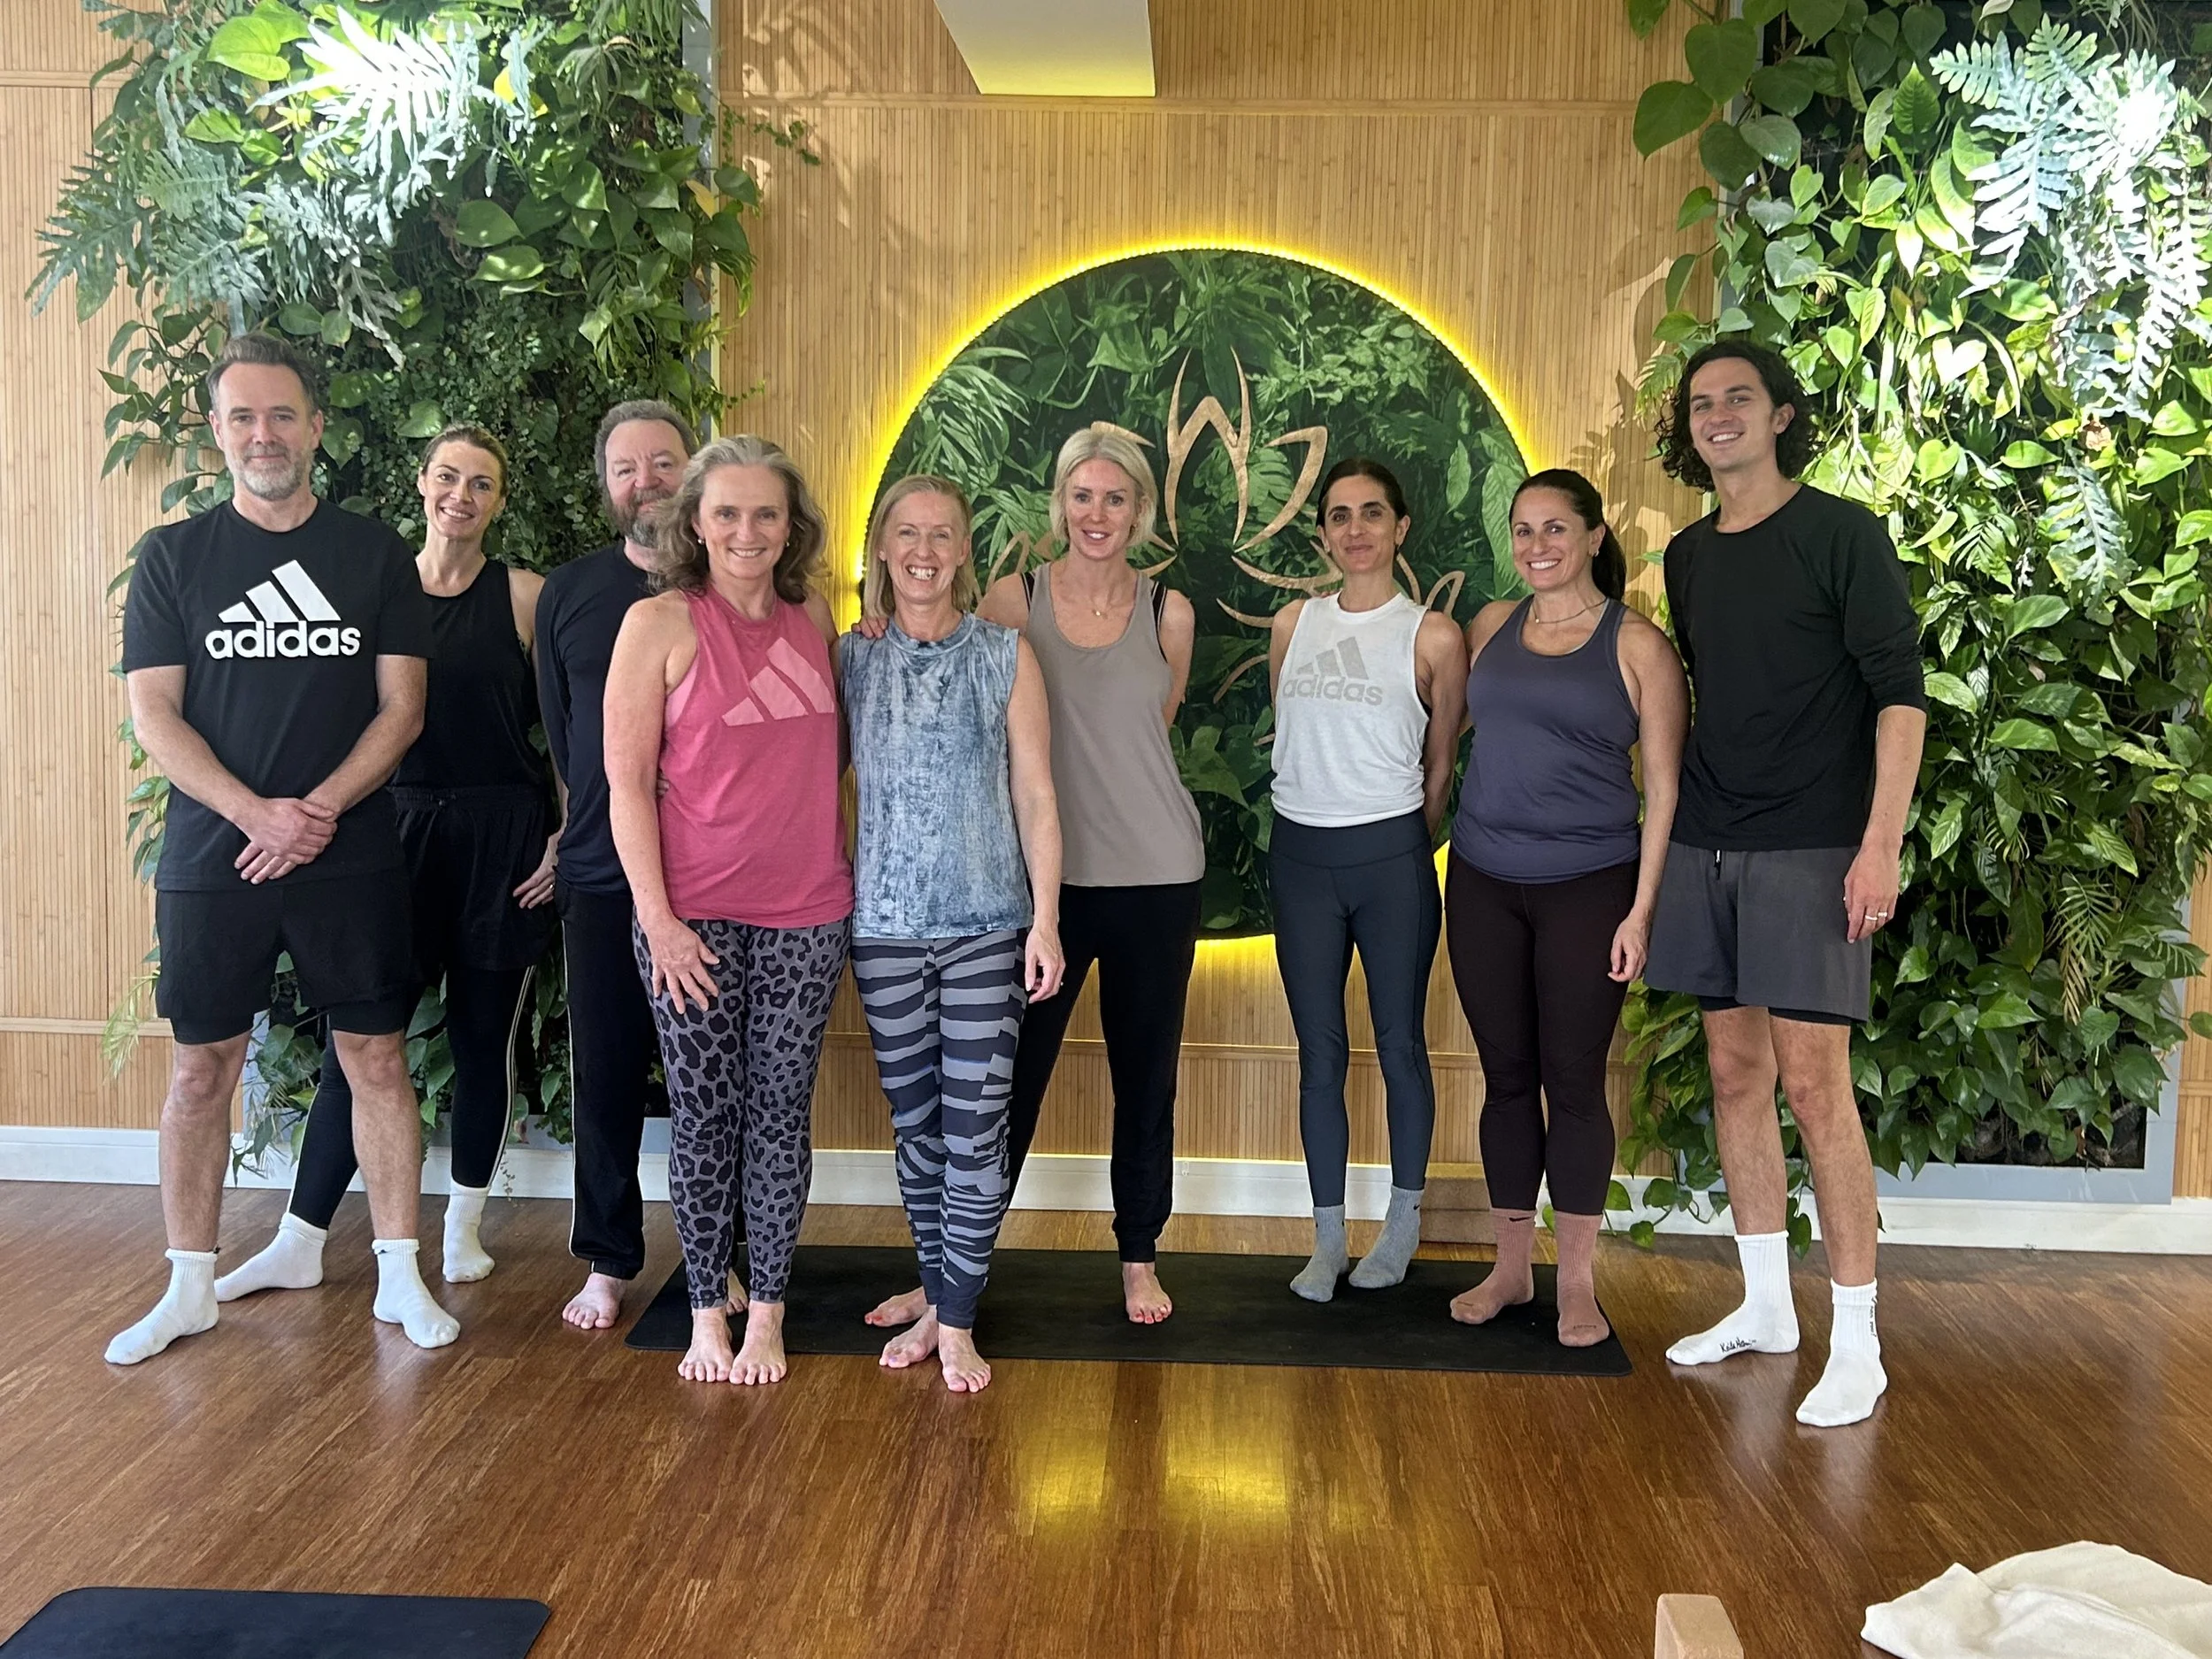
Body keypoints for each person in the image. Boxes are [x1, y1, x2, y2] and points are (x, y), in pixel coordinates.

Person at [110, 331, 454, 1363]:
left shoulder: (372, 554)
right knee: (200, 1072)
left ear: (315, 427)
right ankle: (189, 1288)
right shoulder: (173, 557)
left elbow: (402, 712)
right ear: (216, 433)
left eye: (283, 414)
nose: (265, 433)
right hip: (217, 855)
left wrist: (312, 813)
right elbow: (154, 718)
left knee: (378, 1058)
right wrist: (257, 814)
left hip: (347, 851)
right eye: (243, 416)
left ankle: (400, 1274)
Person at [862, 424, 1205, 1327]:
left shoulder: (1169, 612)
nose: (1097, 514)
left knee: (1147, 1078)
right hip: (1036, 892)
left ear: (1140, 510)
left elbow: (1150, 732)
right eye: (1082, 496)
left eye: (1116, 498)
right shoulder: (1013, 604)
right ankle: (950, 1277)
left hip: (1156, 878)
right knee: (999, 1089)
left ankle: (1138, 1257)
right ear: (1061, 503)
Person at [1645, 341, 1926, 1428]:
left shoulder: (1841, 534)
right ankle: (1767, 1308)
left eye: (1736, 401)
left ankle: (1857, 1341)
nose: (1716, 417)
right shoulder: (1688, 556)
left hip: (1815, 845)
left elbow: (1898, 696)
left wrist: (1878, 842)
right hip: (1711, 839)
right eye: (1701, 405)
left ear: (1779, 417)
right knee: (1732, 1073)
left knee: (1816, 1086)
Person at [214, 426, 557, 1302]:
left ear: (499, 500)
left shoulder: (524, 598)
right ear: (421, 482)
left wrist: (566, 835)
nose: (462, 496)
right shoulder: (368, 585)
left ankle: (463, 1230)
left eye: (482, 483)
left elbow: (570, 734)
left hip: (501, 835)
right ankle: (301, 1236)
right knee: (359, 1045)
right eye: (449, 477)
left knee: (486, 1040)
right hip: (388, 835)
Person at [605, 434, 852, 1386]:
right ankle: (708, 1307)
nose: (746, 531)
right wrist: (658, 921)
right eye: (727, 513)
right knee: (706, 1118)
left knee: (781, 1116)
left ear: (791, 527)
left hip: (807, 913)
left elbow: (825, 765)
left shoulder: (814, 616)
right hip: (692, 920)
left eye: (765, 514)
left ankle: (771, 1313)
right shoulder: (660, 624)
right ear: (695, 523)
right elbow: (625, 788)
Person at [1442, 469, 1687, 1346]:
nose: (1536, 546)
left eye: (1554, 529)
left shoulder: (1638, 647)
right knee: (1505, 1078)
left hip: (1591, 886)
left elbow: (1662, 792)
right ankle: (1511, 1271)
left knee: (1572, 1083)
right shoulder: (1489, 626)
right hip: (1479, 880)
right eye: (1522, 530)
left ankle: (1576, 1285)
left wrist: (1642, 911)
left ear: (1592, 537)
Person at [841, 475, 1064, 1393]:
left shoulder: (1006, 653)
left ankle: (957, 1319)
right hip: (883, 928)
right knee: (919, 1129)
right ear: (883, 548)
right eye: (907, 533)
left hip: (987, 926)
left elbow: (1037, 794)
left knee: (975, 1131)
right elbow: (808, 783)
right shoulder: (848, 656)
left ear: (965, 549)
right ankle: (939, 1288)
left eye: (942, 534)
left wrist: (1044, 920)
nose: (925, 550)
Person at [1269, 457, 1466, 1302]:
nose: (1356, 530)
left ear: (1400, 527)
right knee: (1319, 1050)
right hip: (1301, 857)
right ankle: (1325, 1240)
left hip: (1390, 859)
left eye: (1372, 513)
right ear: (1322, 533)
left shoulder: (1432, 635)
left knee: (1399, 1044)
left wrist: (1394, 838)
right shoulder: (1292, 623)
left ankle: (1402, 1222)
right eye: (1340, 515)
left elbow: (1443, 760)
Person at [534, 401, 697, 1331]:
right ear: (606, 486)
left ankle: (730, 1251)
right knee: (605, 1072)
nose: (647, 481)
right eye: (627, 468)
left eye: (663, 462)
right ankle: (608, 1257)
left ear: (693, 469)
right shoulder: (569, 593)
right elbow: (567, 742)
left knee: (721, 1083)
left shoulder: (736, 583)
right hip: (601, 875)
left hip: (716, 876)